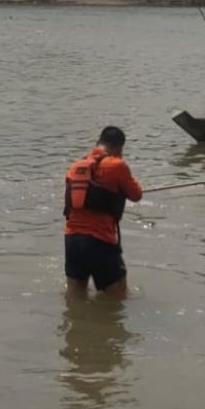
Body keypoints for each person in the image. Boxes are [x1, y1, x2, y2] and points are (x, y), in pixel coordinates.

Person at [63, 126, 143, 298]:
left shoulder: (76, 167)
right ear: (119, 147)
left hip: (72, 240)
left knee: (75, 297)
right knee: (118, 297)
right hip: (99, 240)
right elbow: (136, 195)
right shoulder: (117, 165)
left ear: (98, 142)